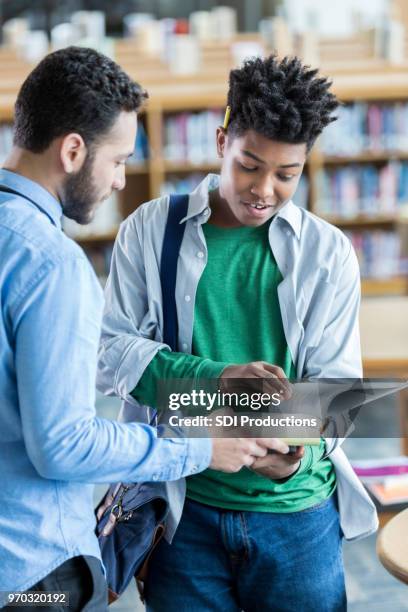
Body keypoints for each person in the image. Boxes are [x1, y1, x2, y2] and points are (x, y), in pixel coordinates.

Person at [97, 55, 378, 611]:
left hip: (296, 517)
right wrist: (219, 379)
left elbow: (338, 389)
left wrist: (295, 455)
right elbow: (110, 356)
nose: (264, 189)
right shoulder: (150, 231)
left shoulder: (327, 254)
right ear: (222, 140)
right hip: (186, 514)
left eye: (286, 174)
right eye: (249, 164)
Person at [0, 47, 269, 611]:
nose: (121, 179)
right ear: (73, 150)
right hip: (30, 580)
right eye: (118, 159)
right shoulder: (52, 263)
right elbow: (64, 445)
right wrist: (196, 449)